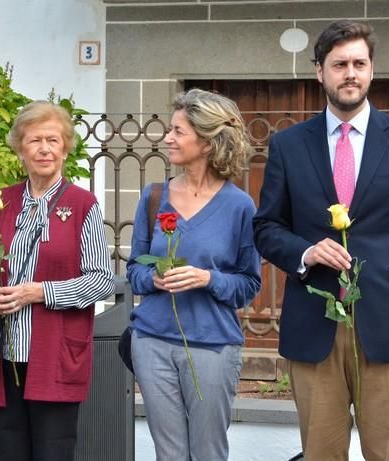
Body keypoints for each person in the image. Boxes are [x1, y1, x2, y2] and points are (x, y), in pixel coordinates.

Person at [253, 20, 389, 461]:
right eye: (339, 64)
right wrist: (305, 252)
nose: (350, 73)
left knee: (388, 455)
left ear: (371, 70)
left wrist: (383, 265)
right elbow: (266, 228)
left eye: (359, 63)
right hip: (314, 324)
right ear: (319, 72)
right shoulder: (288, 145)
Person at [0, 100, 115, 461]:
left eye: (53, 139)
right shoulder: (1, 202)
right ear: (20, 148)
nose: (45, 149)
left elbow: (101, 281)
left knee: (53, 453)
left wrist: (41, 292)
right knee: (5, 453)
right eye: (34, 140)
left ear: (66, 147)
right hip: (3, 356)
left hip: (55, 354)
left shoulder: (83, 205)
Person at [126, 88, 261, 461]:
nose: (168, 138)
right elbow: (134, 266)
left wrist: (208, 279)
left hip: (213, 346)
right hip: (151, 341)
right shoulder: (154, 196)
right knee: (168, 454)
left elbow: (249, 285)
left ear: (206, 141)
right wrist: (151, 279)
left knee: (208, 453)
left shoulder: (240, 207)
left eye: (178, 131)